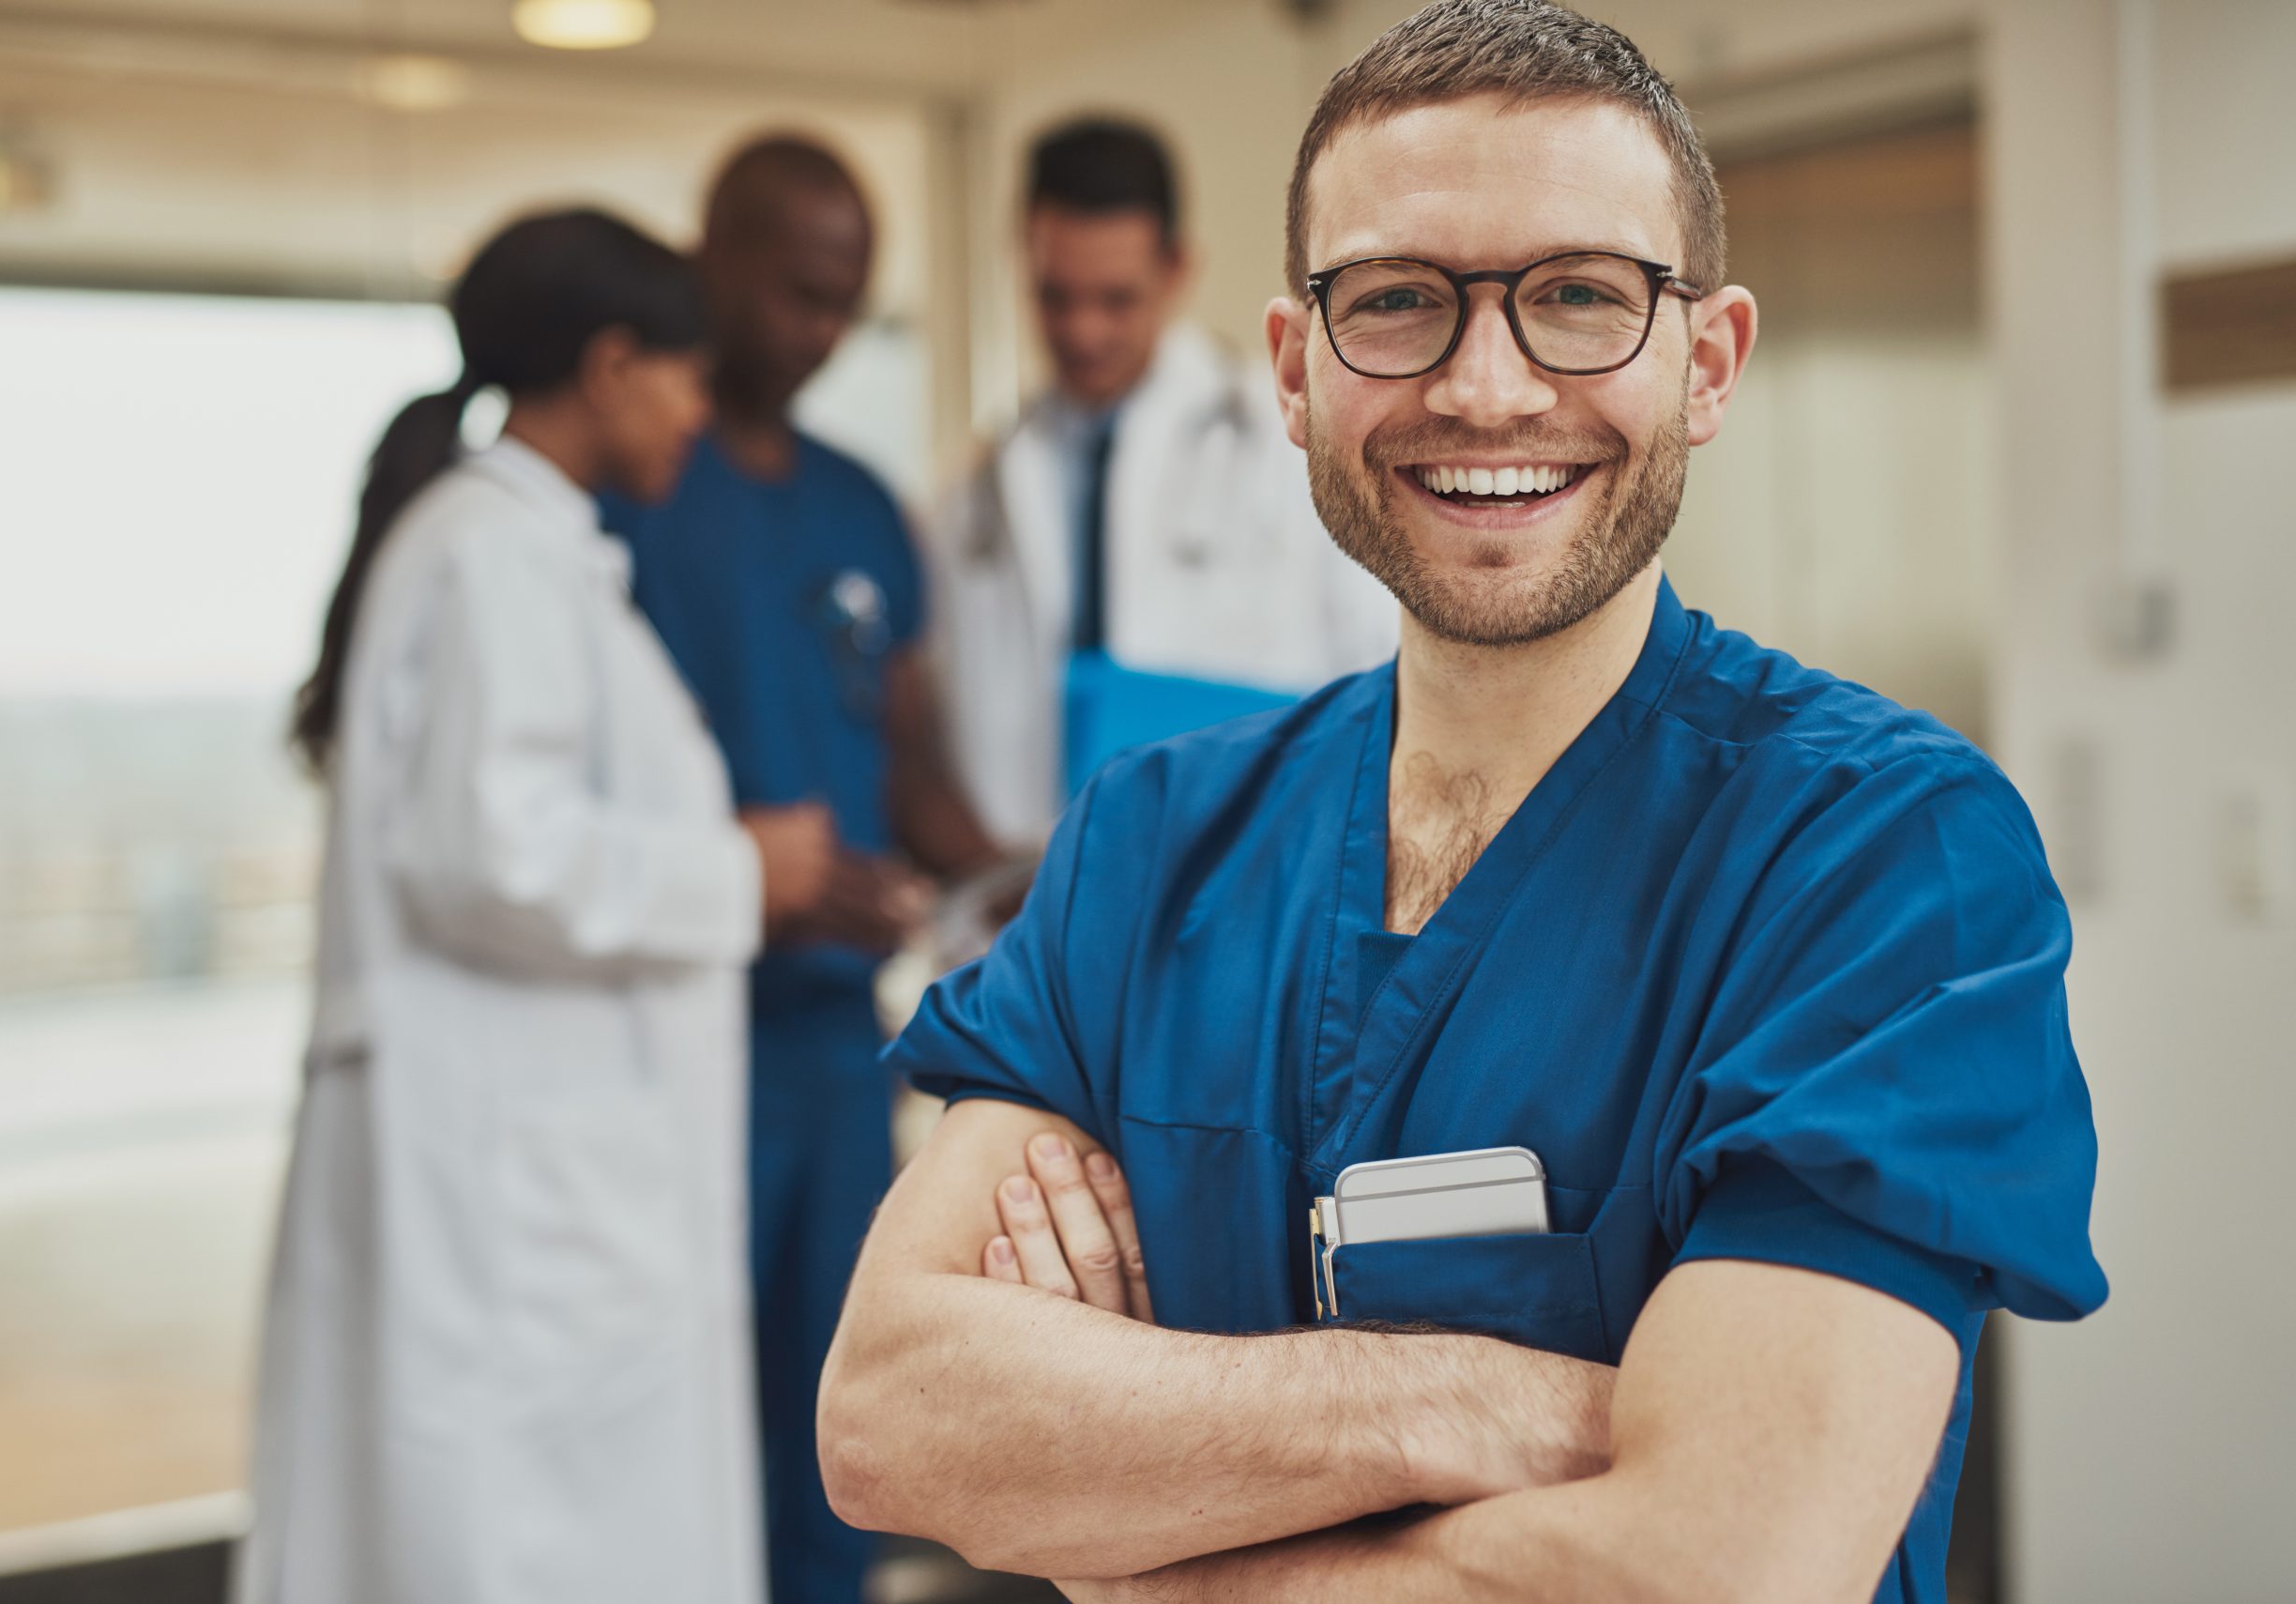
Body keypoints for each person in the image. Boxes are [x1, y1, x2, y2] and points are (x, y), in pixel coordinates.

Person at [817, 5, 2109, 1602]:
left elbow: (1723, 1563)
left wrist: (1143, 1541)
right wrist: (1471, 1396)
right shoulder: (1148, 843)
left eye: (1580, 295)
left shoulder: (1882, 860)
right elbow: (890, 1414)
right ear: (1296, 368)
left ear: (1706, 363)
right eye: (1399, 302)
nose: (1486, 388)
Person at [240, 207, 832, 1604]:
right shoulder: (495, 555)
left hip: (529, 1163)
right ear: (614, 364)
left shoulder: (525, 549)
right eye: (686, 374)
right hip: (506, 1178)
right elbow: (491, 852)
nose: (700, 409)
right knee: (507, 1539)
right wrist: (746, 871)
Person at [600, 137, 1006, 1604]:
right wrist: (743, 877)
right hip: (664, 1043)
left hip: (838, 1047)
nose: (821, 332)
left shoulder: (860, 509)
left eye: (847, 302)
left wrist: (1023, 878)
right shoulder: (632, 479)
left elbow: (911, 767)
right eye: (795, 292)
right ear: (713, 255)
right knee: (666, 1425)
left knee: (828, 1429)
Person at [934, 116, 1395, 848]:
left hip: (1249, 870)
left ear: (1176, 269)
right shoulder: (980, 487)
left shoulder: (1287, 441)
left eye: (1116, 299)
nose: (1083, 331)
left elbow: (1383, 675)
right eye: (1056, 297)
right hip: (1035, 897)